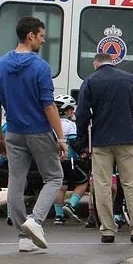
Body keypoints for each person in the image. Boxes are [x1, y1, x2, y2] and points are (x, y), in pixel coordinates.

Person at [0, 16, 67, 252]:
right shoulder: (40, 67)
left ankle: (23, 237)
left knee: (16, 182)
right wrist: (61, 137)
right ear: (30, 35)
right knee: (54, 177)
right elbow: (49, 105)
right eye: (41, 36)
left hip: (13, 132)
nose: (43, 41)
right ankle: (36, 220)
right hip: (39, 131)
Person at [75, 52, 133, 243]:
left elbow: (81, 114)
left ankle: (107, 230)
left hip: (100, 140)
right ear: (113, 62)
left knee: (102, 185)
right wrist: (129, 109)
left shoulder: (90, 81)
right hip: (127, 137)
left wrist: (81, 141)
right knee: (131, 184)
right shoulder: (128, 78)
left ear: (96, 64)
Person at [52, 95, 86, 224]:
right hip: (70, 160)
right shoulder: (70, 125)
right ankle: (71, 205)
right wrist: (83, 152)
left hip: (54, 160)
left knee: (61, 187)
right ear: (67, 111)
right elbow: (75, 144)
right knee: (83, 182)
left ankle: (59, 216)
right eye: (71, 109)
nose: (73, 112)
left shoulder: (50, 124)